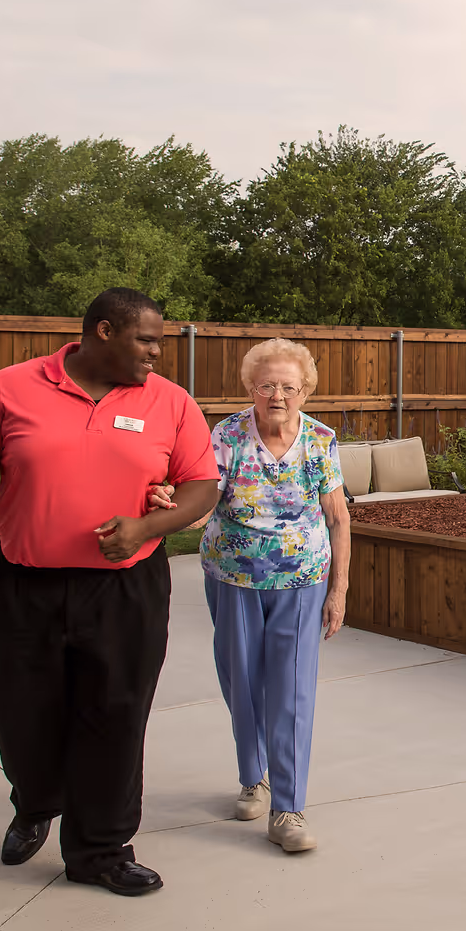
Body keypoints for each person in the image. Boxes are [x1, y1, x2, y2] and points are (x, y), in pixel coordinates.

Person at [0, 288, 219, 897]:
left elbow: (201, 487)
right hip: (24, 583)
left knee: (115, 715)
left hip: (125, 590)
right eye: (147, 340)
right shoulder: (10, 388)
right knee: (14, 704)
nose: (156, 354)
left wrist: (146, 526)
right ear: (104, 332)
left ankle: (100, 849)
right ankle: (36, 802)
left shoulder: (171, 402)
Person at [151, 337, 349, 853]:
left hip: (302, 579)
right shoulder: (227, 435)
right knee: (241, 680)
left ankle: (289, 808)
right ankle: (252, 776)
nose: (278, 395)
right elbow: (203, 503)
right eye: (267, 385)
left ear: (305, 390)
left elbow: (337, 517)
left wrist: (339, 590)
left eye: (289, 386)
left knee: (292, 688)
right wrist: (167, 510)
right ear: (250, 388)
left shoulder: (321, 439)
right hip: (232, 576)